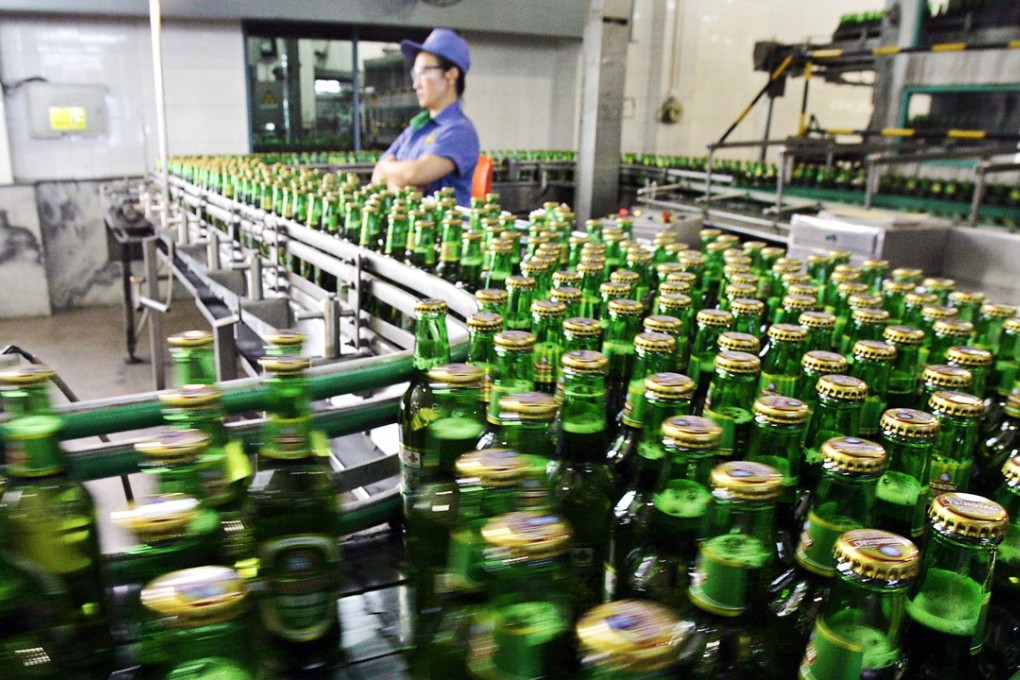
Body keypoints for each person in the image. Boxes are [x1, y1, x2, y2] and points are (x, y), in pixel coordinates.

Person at [371, 28, 480, 206]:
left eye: (424, 72)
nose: (416, 84)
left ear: (451, 75)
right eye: (415, 74)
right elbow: (377, 173)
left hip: (441, 231)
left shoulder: (459, 130)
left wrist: (393, 172)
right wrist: (395, 179)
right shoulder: (416, 128)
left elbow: (414, 174)